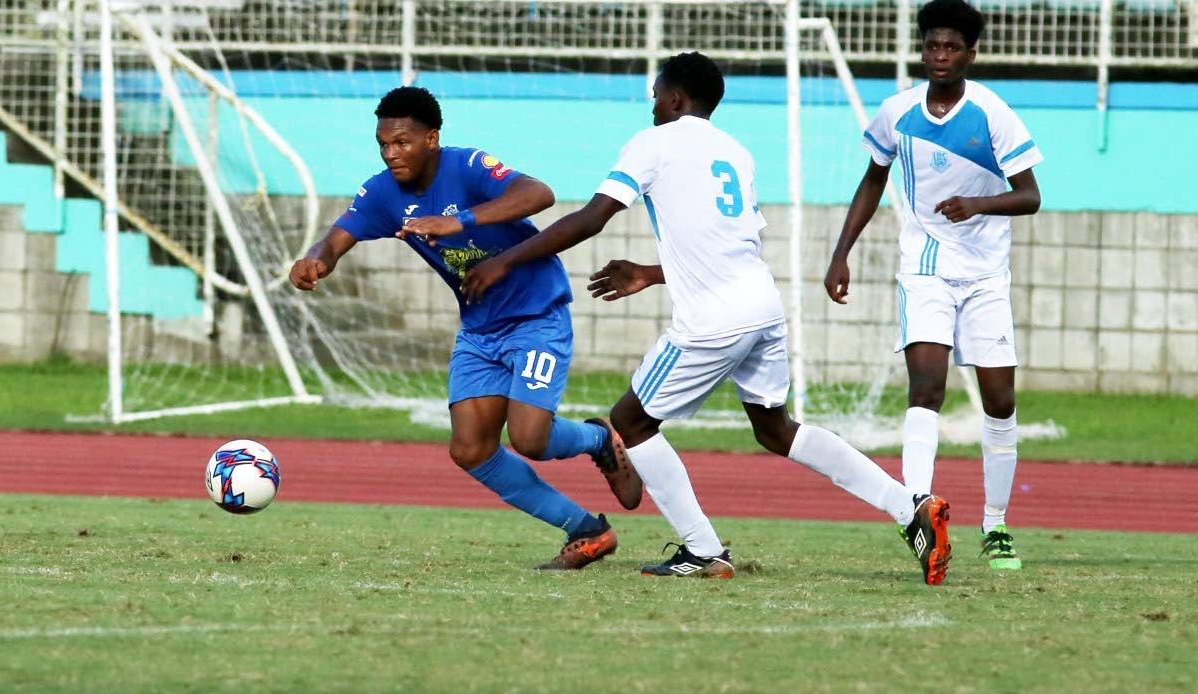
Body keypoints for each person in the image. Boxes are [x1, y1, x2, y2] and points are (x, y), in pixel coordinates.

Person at [461, 52, 952, 585]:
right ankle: (911, 509)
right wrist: (651, 272)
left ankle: (703, 550)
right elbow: (730, 245)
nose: (652, 106)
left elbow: (592, 218)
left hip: (712, 319)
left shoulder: (654, 142)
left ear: (674, 98)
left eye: (655, 96)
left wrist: (505, 260)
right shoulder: (735, 151)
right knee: (776, 429)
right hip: (762, 306)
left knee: (630, 422)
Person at [289, 86, 641, 570]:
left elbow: (540, 193)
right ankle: (586, 531)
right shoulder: (382, 193)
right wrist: (315, 261)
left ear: (431, 138)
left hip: (537, 316)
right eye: (383, 144)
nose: (392, 154)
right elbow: (338, 236)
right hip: (480, 330)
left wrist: (462, 221)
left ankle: (599, 439)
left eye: (402, 142)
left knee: (531, 439)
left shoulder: (469, 165)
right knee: (470, 449)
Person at [824, 0, 1042, 571]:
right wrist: (841, 253)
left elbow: (1031, 195)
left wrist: (976, 204)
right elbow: (872, 181)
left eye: (951, 48)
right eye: (932, 46)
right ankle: (919, 511)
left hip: (986, 277)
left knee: (1000, 402)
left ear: (971, 54)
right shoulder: (897, 111)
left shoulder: (993, 113)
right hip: (924, 270)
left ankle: (995, 524)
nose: (940, 56)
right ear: (922, 51)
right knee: (926, 389)